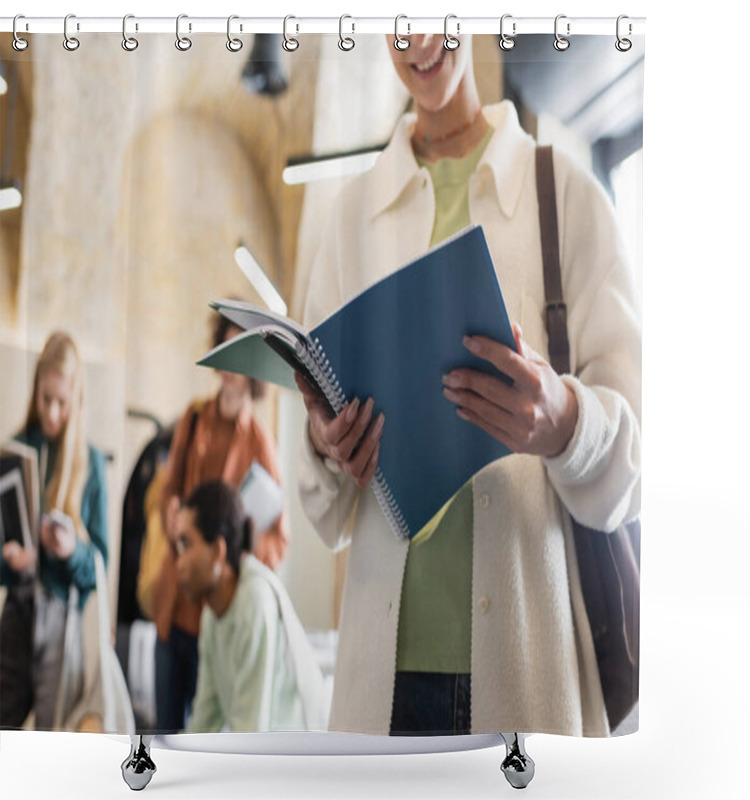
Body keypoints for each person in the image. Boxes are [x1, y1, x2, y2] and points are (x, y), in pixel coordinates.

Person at [295, 34, 641, 737]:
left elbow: (636, 443)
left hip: (527, 655)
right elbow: (311, 441)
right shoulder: (350, 215)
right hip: (380, 680)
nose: (419, 38)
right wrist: (326, 440)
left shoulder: (566, 194)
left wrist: (565, 422)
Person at [152, 312, 290, 732]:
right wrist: (173, 513)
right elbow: (166, 493)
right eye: (226, 352)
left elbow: (277, 542)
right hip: (176, 601)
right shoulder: (192, 421)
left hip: (218, 608)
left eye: (241, 355)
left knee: (207, 730)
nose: (232, 368)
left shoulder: (262, 444)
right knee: (163, 734)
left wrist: (235, 550)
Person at [0, 331, 109, 730]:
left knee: (53, 740)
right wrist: (16, 563)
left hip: (63, 620)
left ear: (76, 400)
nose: (51, 412)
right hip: (17, 614)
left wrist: (69, 551)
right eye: (46, 398)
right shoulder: (14, 449)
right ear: (36, 391)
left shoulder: (91, 463)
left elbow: (100, 564)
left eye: (62, 402)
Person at [177, 481, 326, 733]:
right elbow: (205, 718)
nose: (178, 563)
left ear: (217, 551)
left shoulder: (255, 602)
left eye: (187, 544)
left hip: (290, 759)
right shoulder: (211, 614)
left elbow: (250, 732)